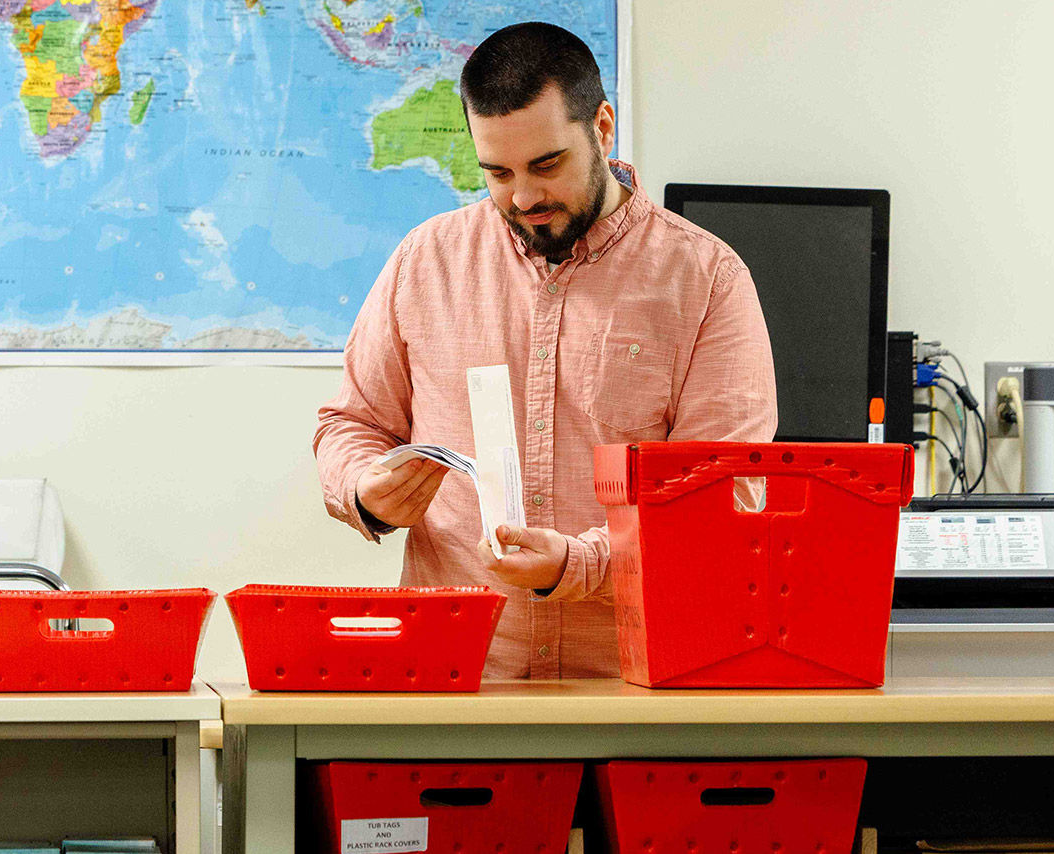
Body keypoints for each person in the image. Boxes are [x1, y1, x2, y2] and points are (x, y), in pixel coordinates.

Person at [313, 23, 777, 678]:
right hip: (455, 683)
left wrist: (577, 566)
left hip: (635, 692)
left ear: (603, 128)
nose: (523, 197)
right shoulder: (428, 260)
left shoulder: (706, 280)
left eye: (547, 165)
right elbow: (350, 424)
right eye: (497, 173)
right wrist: (365, 491)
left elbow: (724, 504)